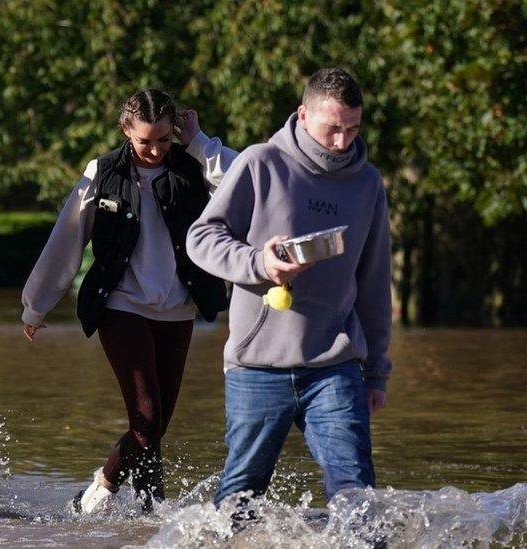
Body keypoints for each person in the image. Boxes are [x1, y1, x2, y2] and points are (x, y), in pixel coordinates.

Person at [21, 89, 237, 513]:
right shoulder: (102, 171)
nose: (155, 150)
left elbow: (244, 185)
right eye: (144, 141)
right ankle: (101, 491)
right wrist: (36, 304)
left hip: (177, 307)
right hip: (120, 303)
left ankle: (147, 515)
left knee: (156, 425)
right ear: (125, 130)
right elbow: (67, 237)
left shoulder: (192, 164)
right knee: (147, 416)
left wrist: (199, 142)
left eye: (164, 139)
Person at [185, 68, 392, 511]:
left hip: (335, 363)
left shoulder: (368, 183)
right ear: (302, 115)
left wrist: (376, 371)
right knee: (240, 499)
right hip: (256, 363)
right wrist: (260, 262)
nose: (342, 142)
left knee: (357, 492)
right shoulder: (261, 163)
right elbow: (201, 238)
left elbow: (373, 283)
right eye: (332, 128)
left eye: (352, 129)